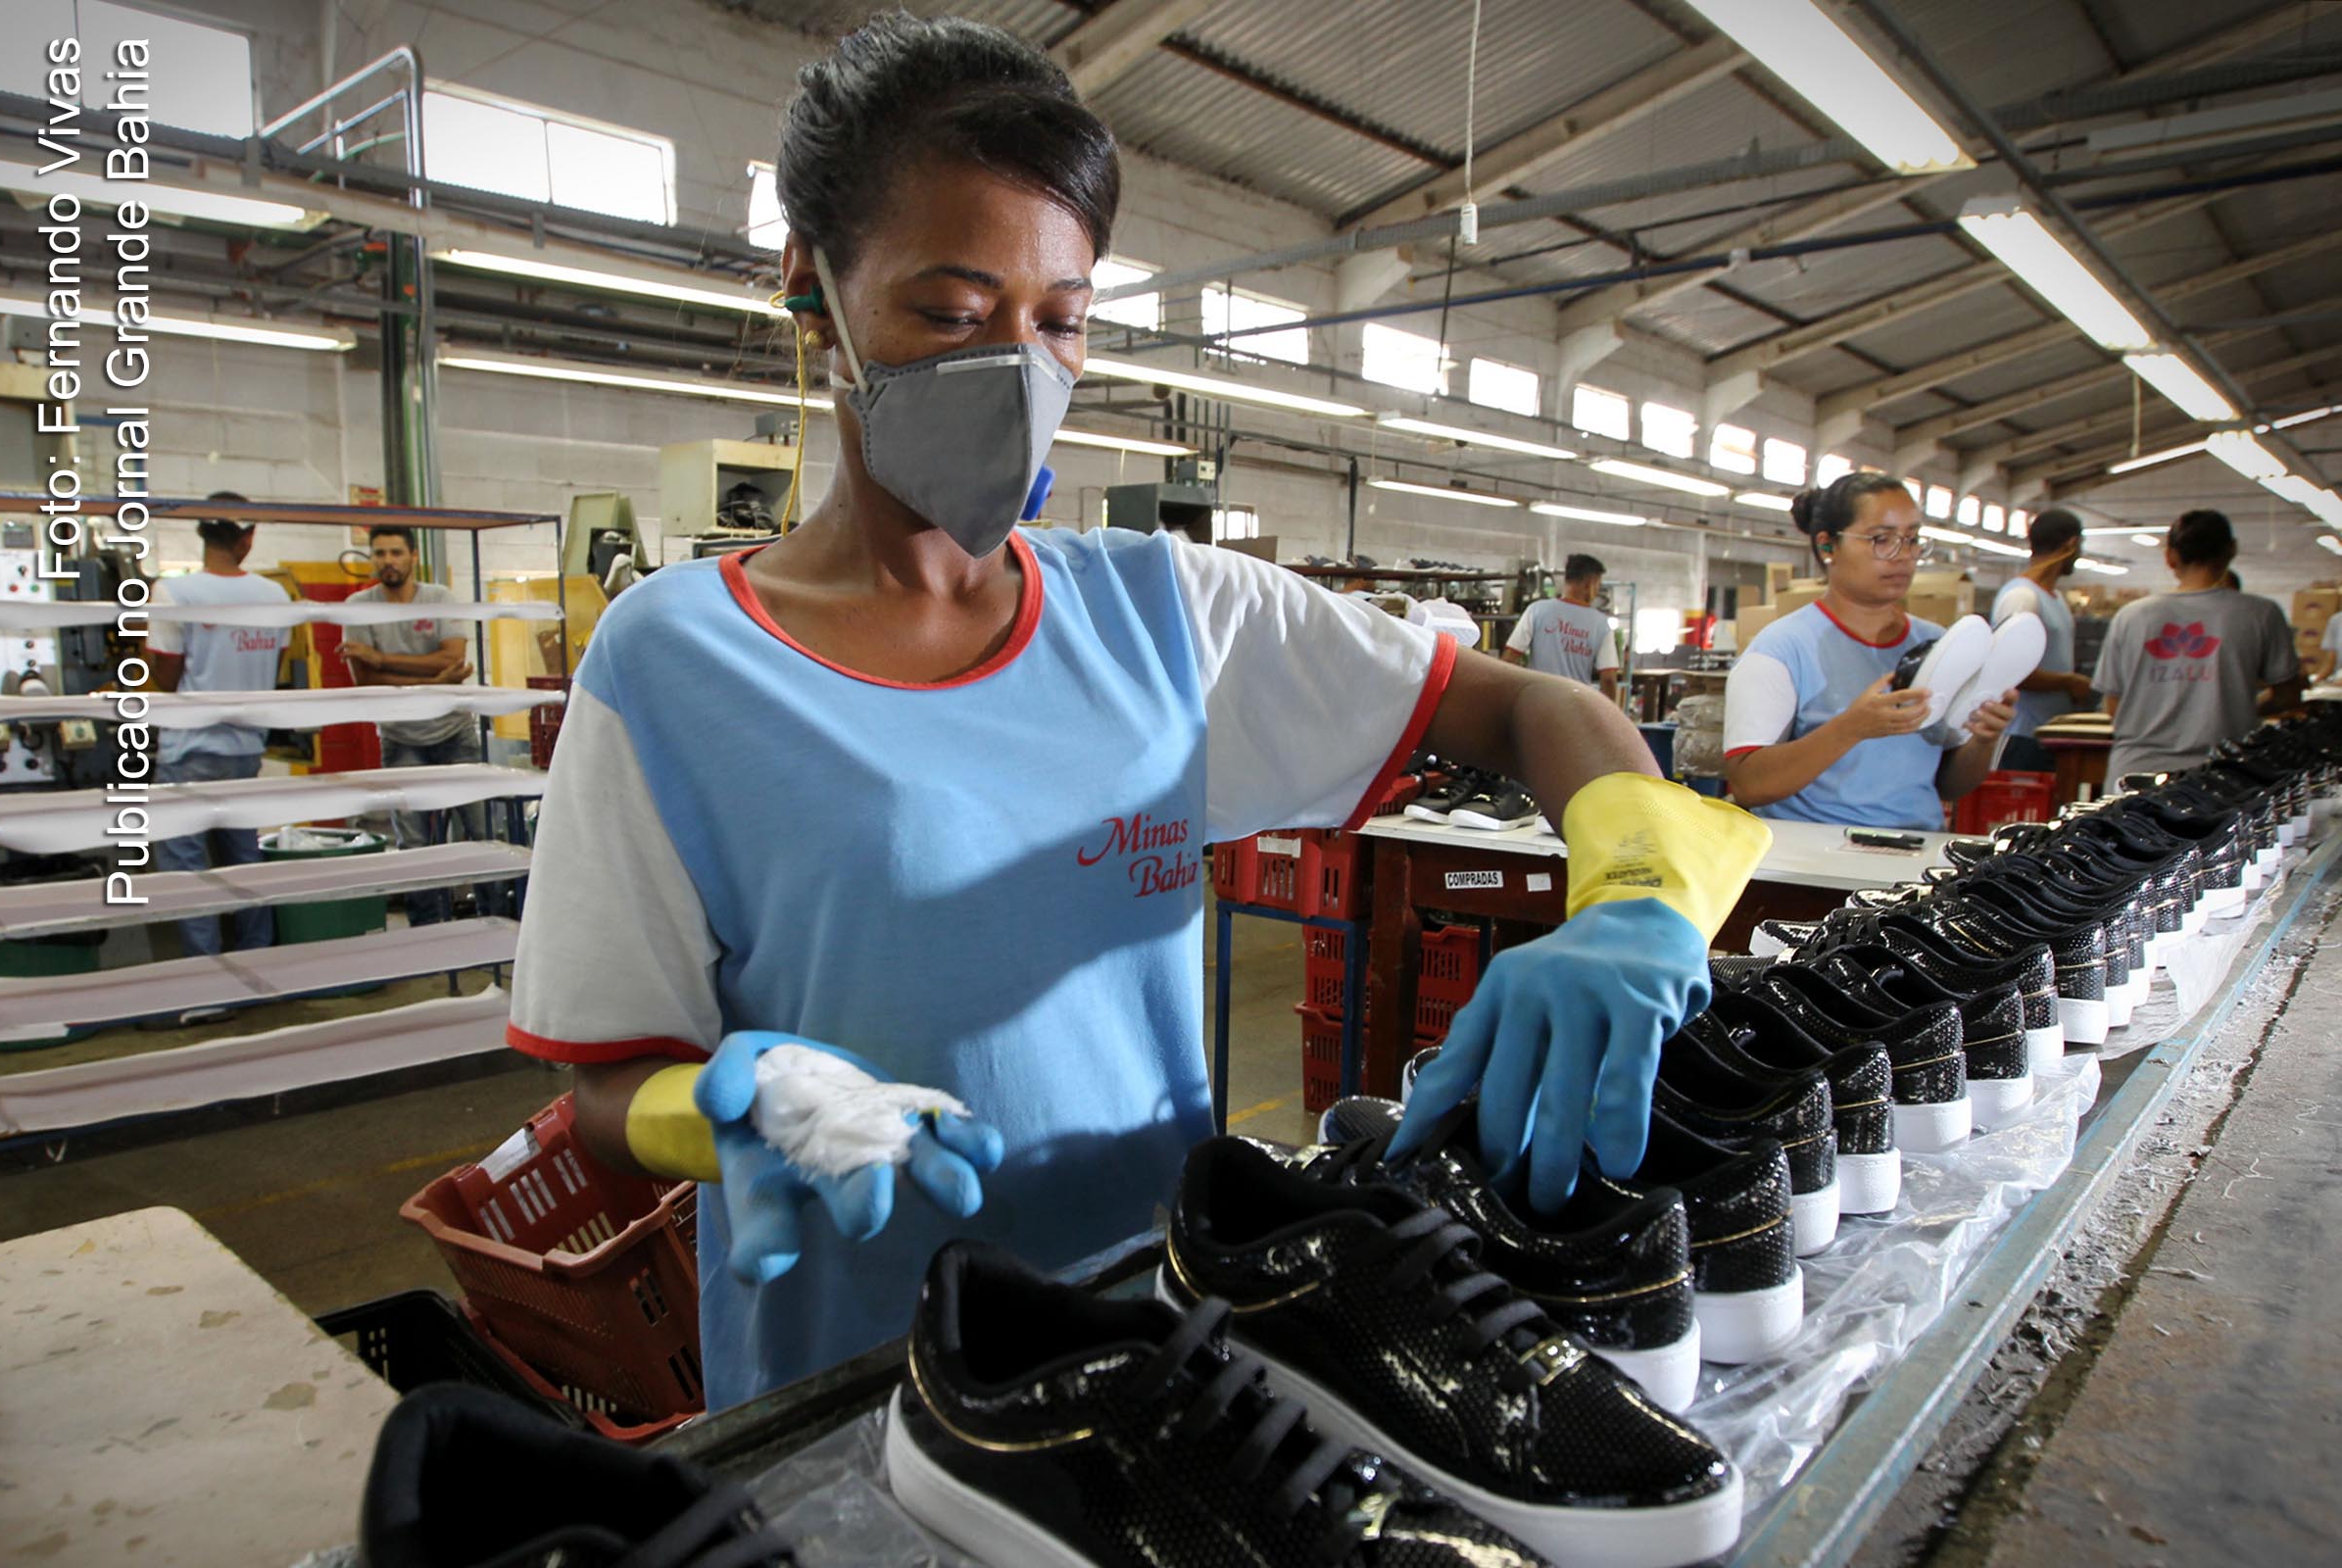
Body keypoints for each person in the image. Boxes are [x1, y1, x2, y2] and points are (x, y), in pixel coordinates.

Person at [506, 14, 1770, 1411]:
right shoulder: (673, 666)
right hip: (865, 1396)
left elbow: (1529, 709)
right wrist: (725, 1109)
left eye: (1058, 322)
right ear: (811, 282)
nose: (1017, 369)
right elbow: (609, 1106)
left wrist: (1637, 898)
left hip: (1168, 1354)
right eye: (949, 311)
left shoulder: (1170, 615)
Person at [1722, 471, 2019, 830]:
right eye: (1882, 539)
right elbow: (1749, 785)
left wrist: (1984, 740)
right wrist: (1852, 728)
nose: (1903, 556)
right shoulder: (1780, 650)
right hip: (1814, 863)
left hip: (1915, 857)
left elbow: (1947, 785)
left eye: (1912, 539)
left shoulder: (1940, 646)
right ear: (1828, 546)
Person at [145, 498, 291, 960]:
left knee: (187, 872)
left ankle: (206, 984)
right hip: (246, 749)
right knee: (244, 862)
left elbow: (166, 678)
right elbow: (276, 667)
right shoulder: (276, 597)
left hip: (189, 748)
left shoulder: (174, 593)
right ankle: (257, 961)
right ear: (248, 537)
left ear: (202, 535)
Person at [339, 524, 494, 924]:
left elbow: (452, 659)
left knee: (480, 829)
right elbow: (367, 683)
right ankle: (426, 929)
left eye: (395, 552)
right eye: (379, 553)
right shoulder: (359, 607)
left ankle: (499, 918)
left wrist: (380, 657)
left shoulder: (438, 598)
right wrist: (432, 682)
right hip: (400, 736)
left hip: (453, 731)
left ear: (412, 557)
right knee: (414, 842)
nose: (387, 561)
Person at [2093, 510, 2302, 779]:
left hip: (2135, 773)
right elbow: (2288, 695)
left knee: (2131, 825)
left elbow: (2113, 706)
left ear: (2170, 557)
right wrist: (2240, 706)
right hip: (2222, 777)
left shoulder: (2131, 616)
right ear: (2231, 550)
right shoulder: (2261, 614)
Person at [1989, 507, 2092, 771]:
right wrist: (2069, 681)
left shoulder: (2054, 599)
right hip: (2022, 736)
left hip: (2050, 733)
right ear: (2072, 544)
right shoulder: (2022, 597)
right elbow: (2009, 671)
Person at [1504, 552, 1621, 699]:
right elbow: (1609, 679)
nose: (1596, 592)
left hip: (1537, 702)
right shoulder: (1601, 624)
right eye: (1597, 585)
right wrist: (1609, 716)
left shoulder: (1536, 610)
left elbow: (1509, 659)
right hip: (1576, 706)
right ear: (1589, 583)